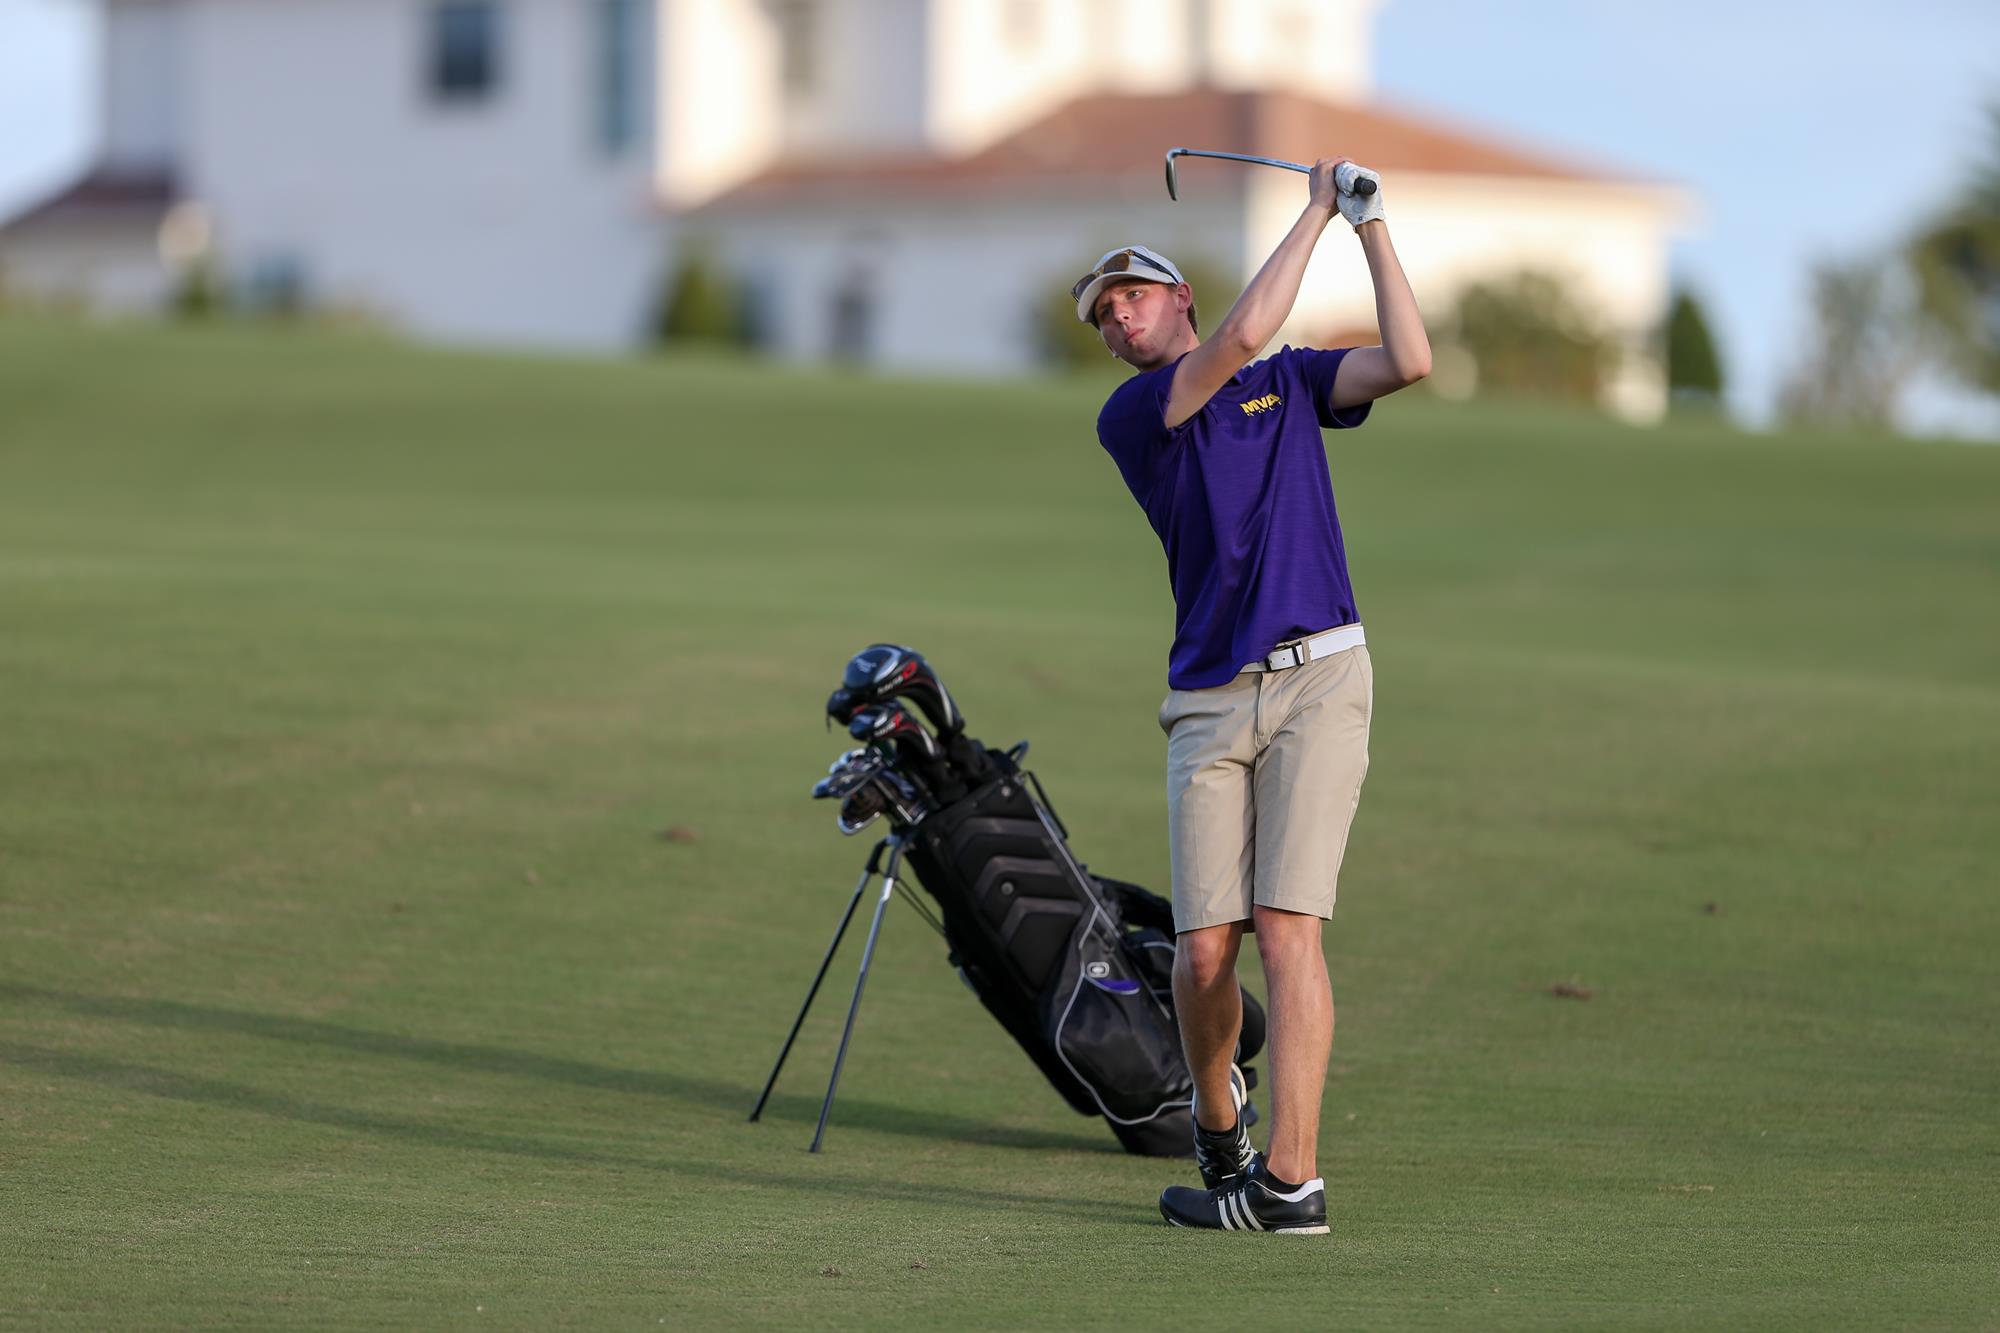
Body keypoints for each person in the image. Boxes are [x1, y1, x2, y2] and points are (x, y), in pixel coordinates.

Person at [1074, 157, 1431, 1234]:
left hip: (1321, 675)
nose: (1116, 321)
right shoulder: (1135, 412)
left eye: (1129, 297)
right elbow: (1235, 343)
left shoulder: (1290, 385)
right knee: (1202, 949)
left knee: (1286, 931)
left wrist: (1369, 228)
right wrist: (1316, 205)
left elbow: (1410, 359)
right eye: (1101, 316)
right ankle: (1218, 1119)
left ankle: (1288, 1182)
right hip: (1207, 700)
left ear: (1175, 294)